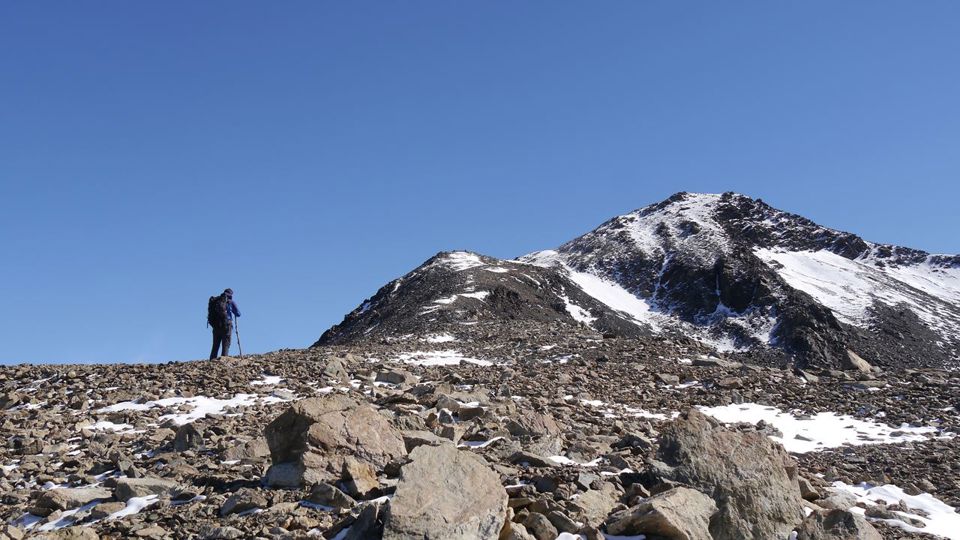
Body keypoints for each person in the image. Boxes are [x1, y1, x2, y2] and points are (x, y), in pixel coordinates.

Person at [208, 288, 241, 359]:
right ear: (231, 294)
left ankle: (212, 361)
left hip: (216, 326)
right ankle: (223, 360)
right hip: (226, 326)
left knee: (215, 345)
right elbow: (238, 314)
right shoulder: (230, 302)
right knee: (226, 344)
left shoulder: (216, 301)